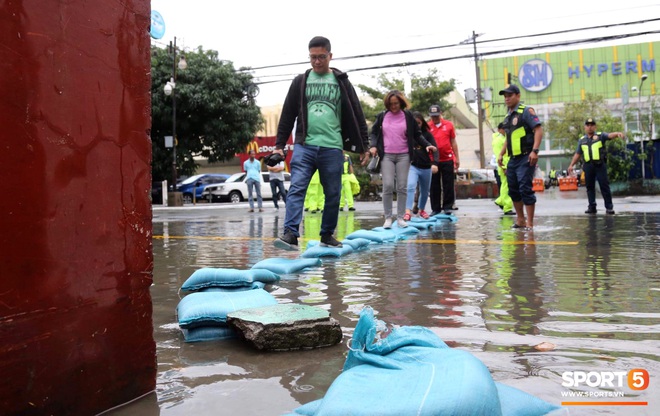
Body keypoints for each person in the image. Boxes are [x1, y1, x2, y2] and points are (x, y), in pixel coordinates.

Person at [272, 36, 370, 249]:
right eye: (313, 57)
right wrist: (280, 145)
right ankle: (290, 233)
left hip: (332, 147)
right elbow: (287, 114)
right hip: (304, 145)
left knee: (333, 193)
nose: (317, 62)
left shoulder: (341, 81)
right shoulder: (301, 81)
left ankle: (326, 235)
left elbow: (356, 113)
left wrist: (363, 145)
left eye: (321, 57)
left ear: (330, 56)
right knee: (297, 188)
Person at [369, 91, 437, 228]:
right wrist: (373, 146)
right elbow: (374, 132)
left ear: (401, 103)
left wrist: (428, 145)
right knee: (388, 185)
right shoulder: (383, 116)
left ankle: (400, 218)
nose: (393, 106)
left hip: (403, 155)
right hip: (387, 155)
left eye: (396, 103)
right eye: (391, 104)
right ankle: (388, 218)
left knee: (402, 187)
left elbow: (417, 135)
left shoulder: (407, 116)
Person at [497, 84, 543, 229]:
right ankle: (520, 220)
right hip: (513, 159)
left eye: (510, 95)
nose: (507, 98)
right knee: (513, 189)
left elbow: (538, 129)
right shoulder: (507, 117)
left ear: (518, 96)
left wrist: (535, 151)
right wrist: (501, 153)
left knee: (525, 188)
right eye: (505, 96)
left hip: (526, 157)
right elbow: (508, 138)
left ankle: (530, 222)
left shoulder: (526, 111)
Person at [567, 118, 624, 215]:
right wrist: (571, 165)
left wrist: (617, 134)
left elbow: (609, 135)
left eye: (592, 125)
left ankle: (609, 207)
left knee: (604, 186)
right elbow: (578, 154)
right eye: (588, 125)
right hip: (588, 166)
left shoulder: (600, 136)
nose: (590, 127)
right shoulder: (582, 140)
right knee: (590, 187)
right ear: (585, 127)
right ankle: (592, 207)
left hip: (600, 165)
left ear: (595, 127)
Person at [404, 112, 439, 220]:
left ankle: (421, 210)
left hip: (426, 167)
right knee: (410, 186)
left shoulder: (427, 134)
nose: (417, 125)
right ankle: (408, 211)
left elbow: (435, 149)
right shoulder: (408, 135)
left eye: (419, 123)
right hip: (413, 166)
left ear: (422, 123)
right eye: (415, 123)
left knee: (425, 191)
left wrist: (435, 163)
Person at [427, 104, 459, 216]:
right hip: (433, 160)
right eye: (432, 116)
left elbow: (453, 142)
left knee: (448, 184)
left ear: (441, 114)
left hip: (447, 158)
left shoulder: (449, 125)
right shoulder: (427, 126)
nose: (435, 118)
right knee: (434, 185)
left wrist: (457, 158)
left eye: (436, 116)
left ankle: (448, 207)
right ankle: (435, 208)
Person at [492, 122, 514, 215]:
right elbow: (499, 155)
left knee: (506, 186)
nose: (506, 131)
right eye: (505, 129)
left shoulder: (502, 139)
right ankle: (507, 207)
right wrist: (504, 167)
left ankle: (501, 200)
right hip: (504, 166)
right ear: (500, 129)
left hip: (505, 165)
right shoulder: (499, 140)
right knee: (506, 187)